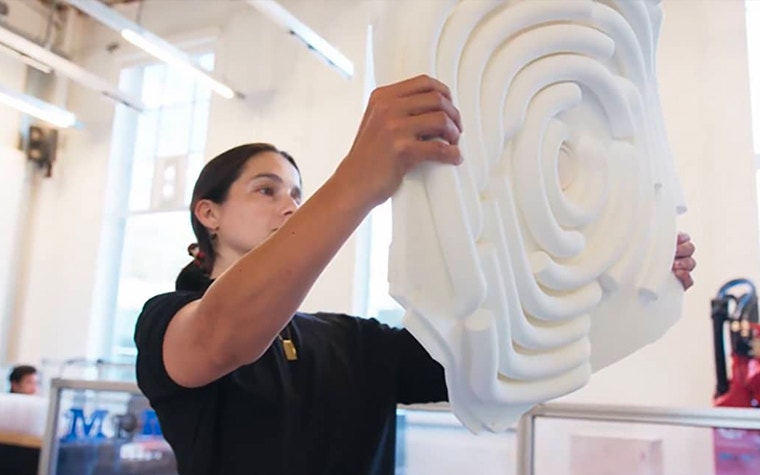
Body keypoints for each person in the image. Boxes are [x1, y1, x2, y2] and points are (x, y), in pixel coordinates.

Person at [135, 75, 697, 475]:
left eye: (298, 193)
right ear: (207, 213)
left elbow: (503, 357)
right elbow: (221, 336)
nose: (292, 206)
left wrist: (619, 285)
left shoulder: (354, 342)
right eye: (267, 190)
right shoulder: (165, 320)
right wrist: (359, 179)